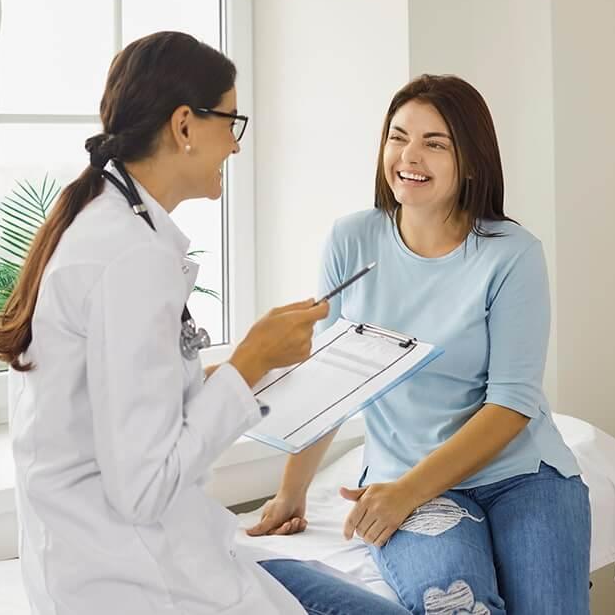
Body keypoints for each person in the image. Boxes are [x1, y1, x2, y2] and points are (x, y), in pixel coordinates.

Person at [0, 31, 412, 614]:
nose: (235, 146)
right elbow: (145, 490)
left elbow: (140, 400)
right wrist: (250, 361)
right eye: (231, 122)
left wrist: (261, 368)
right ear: (184, 125)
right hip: (134, 582)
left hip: (123, 559)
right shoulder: (129, 257)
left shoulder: (108, 221)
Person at [248, 74, 591, 615]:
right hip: (406, 473)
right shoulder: (351, 239)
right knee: (461, 606)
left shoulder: (512, 254)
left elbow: (511, 403)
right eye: (398, 137)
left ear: (471, 161)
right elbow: (330, 380)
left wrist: (405, 494)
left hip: (521, 476)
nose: (409, 156)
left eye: (435, 143)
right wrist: (291, 493)